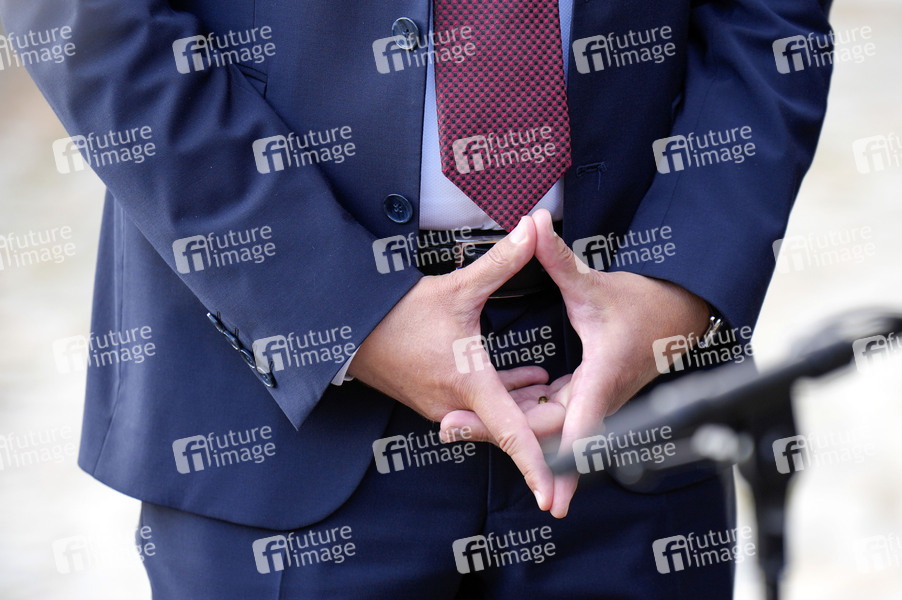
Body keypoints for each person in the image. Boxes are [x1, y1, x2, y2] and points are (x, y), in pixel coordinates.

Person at [0, 0, 832, 597]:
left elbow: (770, 16)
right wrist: (335, 308)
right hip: (278, 413)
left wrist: (676, 287)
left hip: (631, 397)